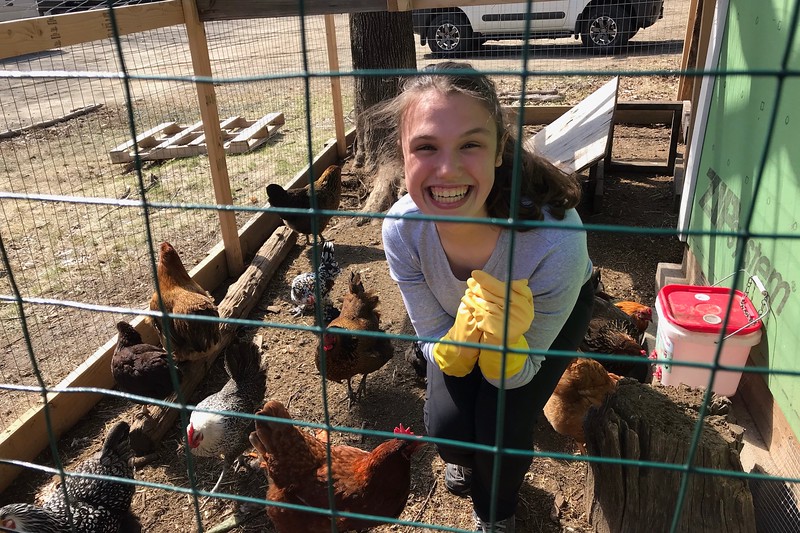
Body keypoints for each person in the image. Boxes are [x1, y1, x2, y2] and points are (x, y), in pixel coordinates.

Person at [379, 61, 595, 532]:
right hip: (461, 319)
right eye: (427, 147)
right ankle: (464, 456)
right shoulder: (401, 230)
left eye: (471, 145)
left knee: (500, 423)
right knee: (450, 428)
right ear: (404, 152)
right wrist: (456, 345)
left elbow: (526, 367)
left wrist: (503, 353)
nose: (448, 169)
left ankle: (496, 512)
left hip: (542, 325)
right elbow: (432, 332)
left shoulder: (554, 238)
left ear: (499, 149)